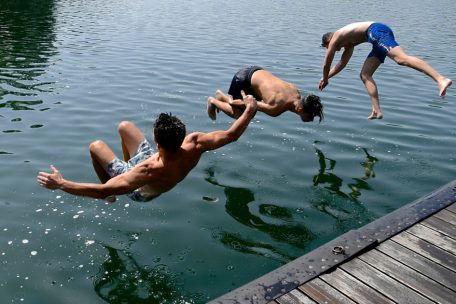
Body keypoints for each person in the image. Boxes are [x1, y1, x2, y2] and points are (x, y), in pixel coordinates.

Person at [37, 92, 257, 202]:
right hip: (160, 162)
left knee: (96, 146)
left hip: (142, 191)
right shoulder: (196, 142)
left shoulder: (147, 171)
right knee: (125, 127)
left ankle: (113, 191)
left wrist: (62, 183)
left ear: (157, 141)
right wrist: (250, 110)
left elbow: (100, 190)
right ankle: (123, 166)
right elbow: (232, 134)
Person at [319, 21, 452, 119]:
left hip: (376, 31)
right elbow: (341, 64)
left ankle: (440, 79)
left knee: (401, 59)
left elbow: (326, 64)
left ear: (329, 41)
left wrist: (325, 79)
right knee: (365, 75)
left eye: (327, 47)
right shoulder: (348, 44)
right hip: (375, 39)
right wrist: (327, 78)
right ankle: (377, 111)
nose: (332, 49)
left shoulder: (336, 37)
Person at [207, 65, 323, 122]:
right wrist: (232, 102)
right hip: (243, 79)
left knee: (251, 112)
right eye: (311, 115)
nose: (312, 119)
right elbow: (246, 104)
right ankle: (215, 100)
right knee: (242, 115)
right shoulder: (276, 109)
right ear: (300, 110)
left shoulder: (295, 92)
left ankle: (221, 98)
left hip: (257, 70)